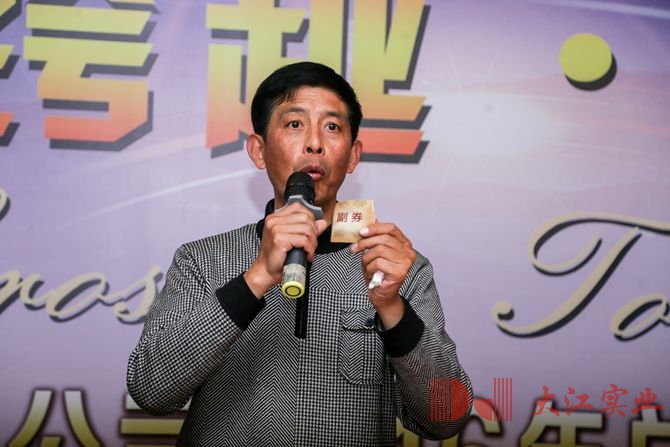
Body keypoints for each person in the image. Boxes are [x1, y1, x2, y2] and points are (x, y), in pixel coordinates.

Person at [127, 61, 472, 446]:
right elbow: (151, 389)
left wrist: (392, 307)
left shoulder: (394, 266)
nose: (314, 143)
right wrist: (257, 277)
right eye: (294, 124)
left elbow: (446, 417)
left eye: (332, 127)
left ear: (353, 155)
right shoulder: (202, 260)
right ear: (258, 150)